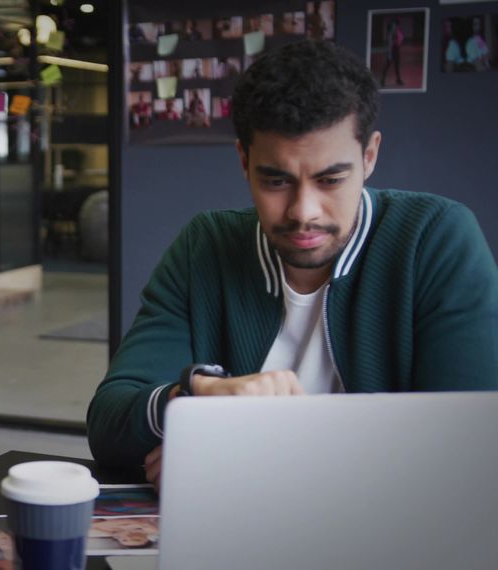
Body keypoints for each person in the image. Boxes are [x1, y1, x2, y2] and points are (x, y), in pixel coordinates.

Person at [87, 40, 498, 487]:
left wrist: (239, 451)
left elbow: (471, 447)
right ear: (244, 161)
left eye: (331, 180)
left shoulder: (435, 237)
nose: (304, 211)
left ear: (370, 156)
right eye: (277, 180)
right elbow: (109, 425)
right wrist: (196, 393)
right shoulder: (204, 246)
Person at [380, 17, 404, 86]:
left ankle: (398, 79)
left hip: (396, 49)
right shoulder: (391, 33)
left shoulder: (397, 30)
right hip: (393, 49)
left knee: (396, 65)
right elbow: (389, 43)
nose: (396, 26)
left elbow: (400, 39)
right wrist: (389, 54)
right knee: (388, 65)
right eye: (396, 25)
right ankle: (382, 80)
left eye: (396, 25)